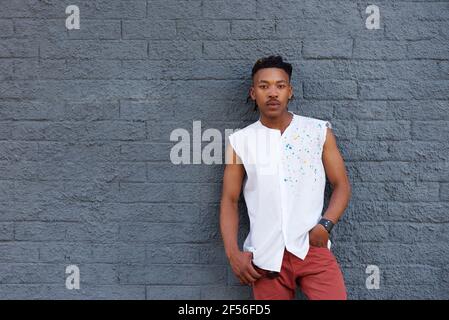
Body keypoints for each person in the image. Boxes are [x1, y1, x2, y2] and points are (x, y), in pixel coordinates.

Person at [219, 55, 352, 300]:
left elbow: (341, 184)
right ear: (252, 93)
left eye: (280, 86)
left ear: (289, 91)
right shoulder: (241, 141)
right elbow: (229, 199)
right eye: (264, 86)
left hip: (312, 247)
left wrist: (325, 225)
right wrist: (233, 254)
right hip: (266, 257)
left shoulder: (317, 131)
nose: (272, 93)